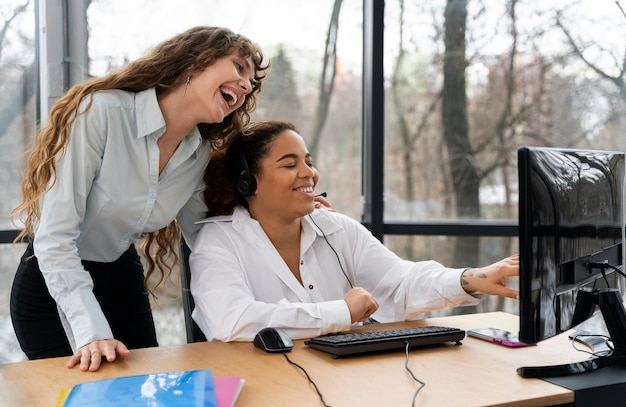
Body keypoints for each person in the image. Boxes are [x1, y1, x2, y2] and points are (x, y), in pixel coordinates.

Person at [9, 26, 269, 371]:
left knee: (144, 388)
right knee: (84, 400)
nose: (247, 85)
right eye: (238, 68)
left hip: (121, 278)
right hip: (53, 283)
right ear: (193, 62)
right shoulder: (101, 113)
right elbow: (54, 238)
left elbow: (208, 235)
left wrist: (295, 218)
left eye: (250, 82)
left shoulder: (198, 153)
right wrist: (91, 331)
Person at [189, 120, 520, 342]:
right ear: (249, 181)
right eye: (290, 165)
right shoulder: (219, 240)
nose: (309, 174)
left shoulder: (336, 228)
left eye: (308, 161)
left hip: (343, 381)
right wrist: (342, 312)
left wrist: (466, 278)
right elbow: (230, 319)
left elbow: (400, 282)